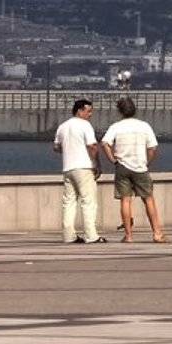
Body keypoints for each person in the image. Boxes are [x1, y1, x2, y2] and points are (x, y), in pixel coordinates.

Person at [100, 96, 167, 243]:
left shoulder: (116, 127)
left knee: (125, 200)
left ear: (120, 111)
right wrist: (147, 161)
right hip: (140, 167)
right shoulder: (144, 126)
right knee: (148, 199)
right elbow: (153, 147)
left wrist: (112, 159)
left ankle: (129, 235)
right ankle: (157, 233)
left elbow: (105, 143)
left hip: (122, 166)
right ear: (134, 110)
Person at [53, 98, 104, 245]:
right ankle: (91, 235)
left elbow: (56, 147)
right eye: (88, 111)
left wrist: (69, 149)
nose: (90, 114)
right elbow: (93, 146)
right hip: (84, 167)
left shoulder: (63, 126)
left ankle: (69, 236)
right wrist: (97, 164)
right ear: (79, 110)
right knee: (88, 202)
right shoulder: (85, 125)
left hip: (68, 168)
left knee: (69, 202)